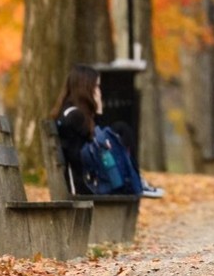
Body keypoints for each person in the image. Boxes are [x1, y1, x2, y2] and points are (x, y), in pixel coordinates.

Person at [53, 63, 165, 199]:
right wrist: (98, 111)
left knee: (120, 128)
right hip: (87, 185)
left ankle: (135, 179)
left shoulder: (69, 112)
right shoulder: (75, 116)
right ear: (86, 88)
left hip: (87, 179)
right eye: (96, 86)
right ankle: (134, 180)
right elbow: (97, 142)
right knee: (121, 130)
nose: (99, 91)